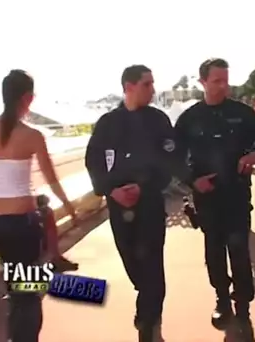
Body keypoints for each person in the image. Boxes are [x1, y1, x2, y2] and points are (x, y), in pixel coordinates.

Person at [0, 70, 76, 342]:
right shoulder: (33, 136)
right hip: (21, 225)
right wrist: (68, 206)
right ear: (27, 98)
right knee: (28, 293)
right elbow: (51, 178)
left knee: (17, 286)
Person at [173, 58, 255, 340]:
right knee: (214, 253)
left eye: (225, 80)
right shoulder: (190, 118)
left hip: (237, 194)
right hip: (207, 197)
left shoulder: (242, 113)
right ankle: (222, 300)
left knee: (239, 252)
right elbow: (173, 157)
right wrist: (192, 180)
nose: (223, 86)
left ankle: (243, 309)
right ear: (202, 82)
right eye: (217, 81)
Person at [85, 65, 176, 342]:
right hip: (119, 207)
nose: (153, 89)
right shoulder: (108, 123)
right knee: (132, 263)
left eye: (152, 83)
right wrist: (111, 191)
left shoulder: (159, 121)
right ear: (129, 86)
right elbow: (93, 161)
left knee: (152, 265)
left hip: (149, 205)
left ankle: (149, 322)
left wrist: (145, 186)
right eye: (147, 84)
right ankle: (146, 301)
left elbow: (169, 160)